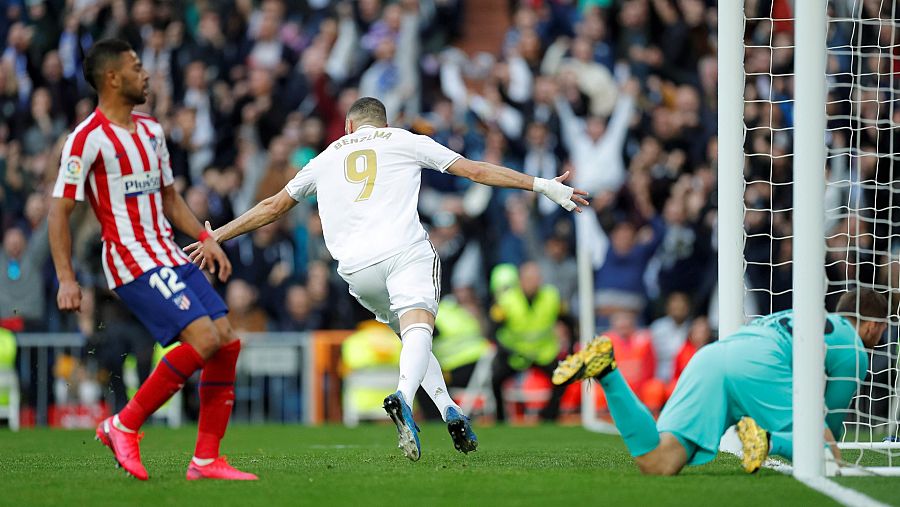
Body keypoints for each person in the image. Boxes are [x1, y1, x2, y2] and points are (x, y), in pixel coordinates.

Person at [187, 96, 589, 460]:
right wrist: (542, 186)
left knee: (411, 337)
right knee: (419, 328)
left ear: (349, 127)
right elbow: (474, 170)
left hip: (357, 271)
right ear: (384, 123)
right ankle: (403, 397)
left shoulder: (325, 157)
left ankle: (449, 408)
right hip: (403, 253)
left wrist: (217, 234)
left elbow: (273, 206)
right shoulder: (404, 139)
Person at [47, 39, 256, 481]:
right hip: (130, 259)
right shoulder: (86, 139)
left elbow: (170, 198)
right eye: (136, 67)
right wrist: (66, 278)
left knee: (225, 341)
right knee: (203, 339)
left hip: (167, 252)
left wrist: (205, 237)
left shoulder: (151, 131)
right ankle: (123, 425)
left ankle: (205, 460)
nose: (145, 75)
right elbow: (59, 212)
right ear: (112, 78)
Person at [551, 288, 887, 475]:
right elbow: (830, 426)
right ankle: (766, 440)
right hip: (759, 363)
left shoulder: (807, 319)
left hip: (714, 355)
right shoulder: (853, 346)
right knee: (825, 457)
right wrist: (825, 447)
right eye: (883, 329)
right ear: (872, 326)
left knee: (657, 461)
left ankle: (608, 373)